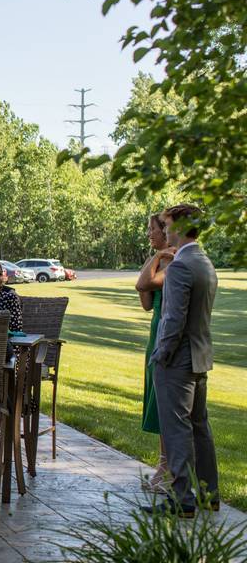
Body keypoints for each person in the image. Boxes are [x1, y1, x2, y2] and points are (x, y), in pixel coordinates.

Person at [144, 204, 219, 517]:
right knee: (200, 428)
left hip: (178, 360)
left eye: (168, 223)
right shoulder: (204, 262)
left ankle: (183, 500)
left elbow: (174, 319)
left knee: (177, 431)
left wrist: (161, 355)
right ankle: (208, 495)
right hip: (200, 357)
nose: (165, 228)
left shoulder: (179, 266)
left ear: (181, 226)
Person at [135, 213, 174, 492]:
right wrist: (155, 257)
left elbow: (142, 284)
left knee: (166, 404)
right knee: (156, 399)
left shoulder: (171, 261)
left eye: (153, 229)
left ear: (165, 231)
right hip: (155, 330)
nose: (149, 233)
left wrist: (157, 257)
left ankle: (168, 464)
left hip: (166, 332)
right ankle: (164, 461)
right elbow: (146, 302)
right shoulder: (160, 258)